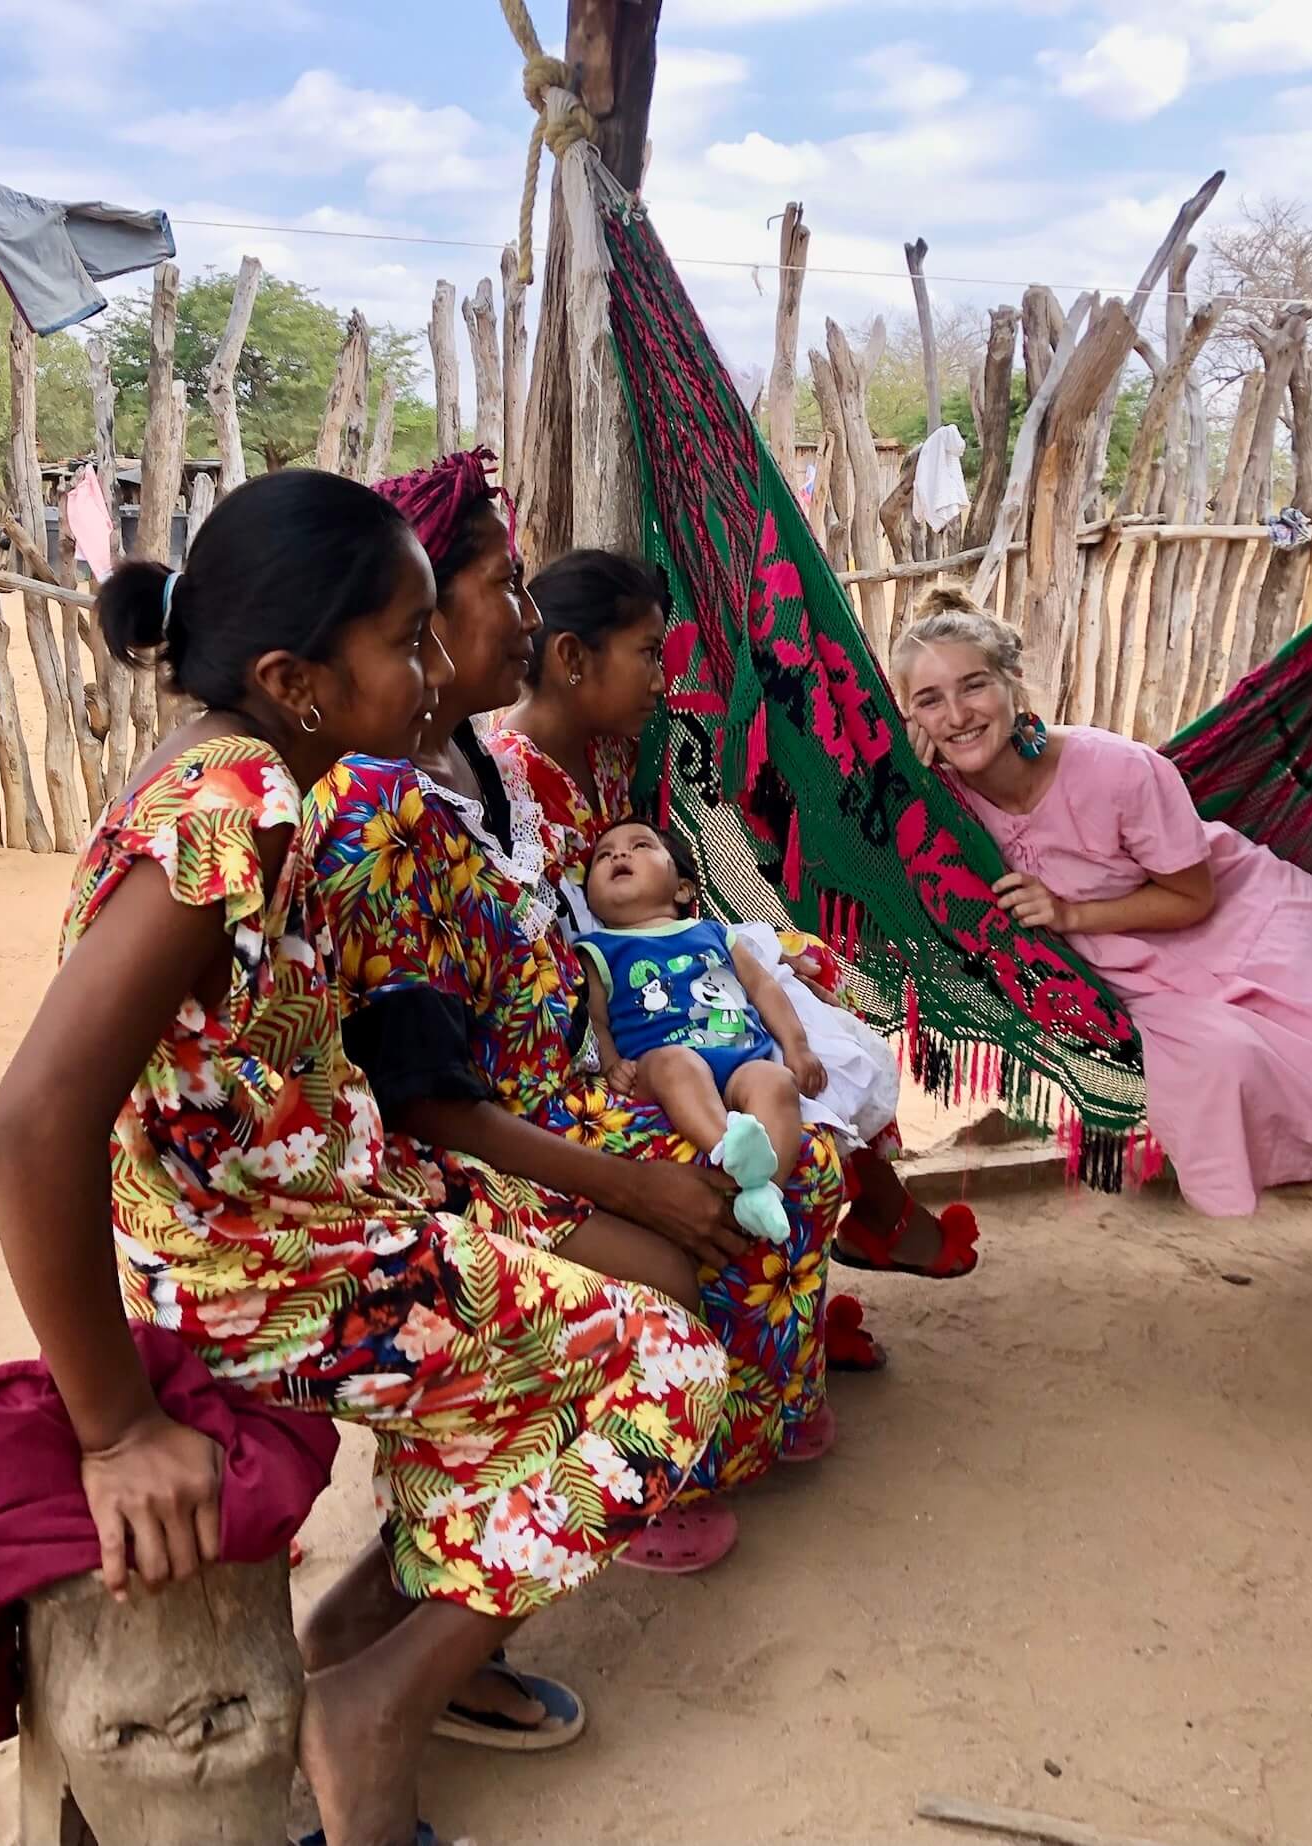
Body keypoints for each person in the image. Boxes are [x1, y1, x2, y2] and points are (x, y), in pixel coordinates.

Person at [0, 470, 727, 1846]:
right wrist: (119, 1427)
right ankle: (374, 1703)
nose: (437, 659)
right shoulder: (232, 801)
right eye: (406, 637)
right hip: (256, 1261)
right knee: (668, 1371)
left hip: (317, 1195)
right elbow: (29, 1123)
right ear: (296, 675)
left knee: (593, 1261)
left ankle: (372, 1639)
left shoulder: (263, 771)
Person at [311, 453, 844, 1577]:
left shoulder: (476, 771)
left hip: (569, 1094)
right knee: (697, 1218)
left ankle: (735, 1421)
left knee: (802, 1164)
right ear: (411, 616)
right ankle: (659, 1471)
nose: (522, 612)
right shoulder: (375, 810)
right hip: (485, 1141)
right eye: (501, 586)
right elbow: (425, 1101)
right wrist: (629, 1176)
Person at [493, 549, 979, 1325]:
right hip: (604, 1036)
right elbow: (549, 967)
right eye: (649, 654)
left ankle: (798, 1330)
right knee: (799, 1150)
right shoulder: (505, 782)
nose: (662, 679)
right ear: (571, 660)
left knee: (816, 1019)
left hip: (673, 988)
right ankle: (766, 1361)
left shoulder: (607, 752)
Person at [891, 583, 1312, 1256]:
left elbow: (1193, 897)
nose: (956, 715)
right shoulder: (936, 806)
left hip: (1240, 920)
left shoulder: (1114, 770)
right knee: (1229, 1059)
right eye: (928, 700)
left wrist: (1066, 910)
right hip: (1140, 973)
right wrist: (904, 780)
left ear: (1011, 686)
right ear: (907, 719)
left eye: (973, 687)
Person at [579, 816, 828, 1243]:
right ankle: (730, 1149)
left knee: (777, 1082)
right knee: (678, 1063)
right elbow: (595, 1019)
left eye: (640, 846)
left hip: (740, 1061)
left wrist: (797, 1046)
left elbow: (763, 987)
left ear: (683, 889)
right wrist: (612, 1061)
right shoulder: (598, 950)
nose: (619, 854)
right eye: (604, 855)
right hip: (660, 1069)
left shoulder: (714, 934)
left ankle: (764, 1191)